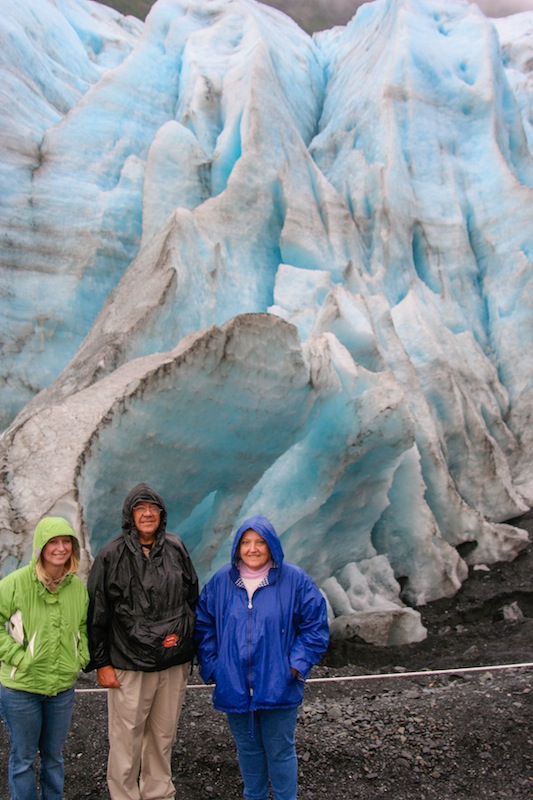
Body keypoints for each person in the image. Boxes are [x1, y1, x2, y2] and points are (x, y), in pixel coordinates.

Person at [194, 514, 329, 800]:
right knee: (248, 750)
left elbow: (315, 626)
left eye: (259, 542)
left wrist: (294, 666)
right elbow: (203, 625)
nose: (252, 549)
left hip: (279, 683)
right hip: (234, 684)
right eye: (246, 542)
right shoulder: (221, 581)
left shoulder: (295, 580)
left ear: (271, 546)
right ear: (237, 547)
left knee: (280, 750)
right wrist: (215, 668)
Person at [86, 483, 198, 800]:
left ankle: (159, 793)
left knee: (163, 735)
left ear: (161, 514)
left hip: (172, 662)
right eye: (140, 508)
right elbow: (97, 613)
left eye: (153, 508)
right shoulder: (111, 555)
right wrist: (102, 663)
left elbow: (192, 598)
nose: (147, 513)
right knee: (126, 738)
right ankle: (124, 795)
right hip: (129, 663)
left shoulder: (176, 548)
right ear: (129, 514)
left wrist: (191, 645)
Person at [0, 516, 89, 800]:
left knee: (54, 757)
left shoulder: (76, 588)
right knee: (23, 759)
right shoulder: (14, 584)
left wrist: (80, 655)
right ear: (40, 546)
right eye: (53, 542)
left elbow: (83, 626)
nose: (60, 548)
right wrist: (19, 658)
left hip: (61, 687)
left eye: (66, 542)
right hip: (21, 688)